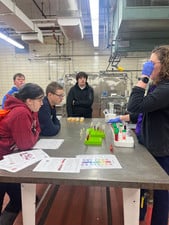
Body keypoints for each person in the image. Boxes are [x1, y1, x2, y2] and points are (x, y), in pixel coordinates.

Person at [122, 45, 169, 225]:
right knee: (143, 186)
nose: (148, 66)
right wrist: (122, 118)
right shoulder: (158, 87)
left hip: (162, 149)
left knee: (161, 193)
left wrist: (143, 77)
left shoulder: (166, 89)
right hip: (151, 144)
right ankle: (139, 215)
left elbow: (134, 105)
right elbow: (144, 111)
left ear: (163, 65)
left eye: (151, 63)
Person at [0, 83, 44, 225]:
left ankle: (8, 216)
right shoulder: (20, 112)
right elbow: (25, 143)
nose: (42, 103)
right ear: (29, 100)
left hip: (10, 157)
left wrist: (34, 132)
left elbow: (37, 128)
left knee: (24, 199)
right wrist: (35, 133)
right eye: (40, 99)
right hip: (2, 159)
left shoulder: (30, 109)